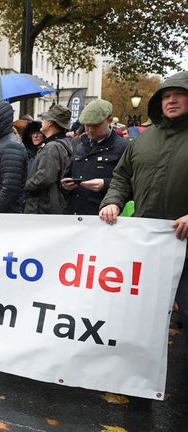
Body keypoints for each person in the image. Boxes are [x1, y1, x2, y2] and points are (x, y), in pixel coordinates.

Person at [99, 71, 188, 324]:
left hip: (184, 246)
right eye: (166, 96)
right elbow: (121, 177)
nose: (171, 100)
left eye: (179, 95)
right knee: (140, 311)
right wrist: (113, 202)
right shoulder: (144, 139)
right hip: (146, 244)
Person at [62, 99, 128, 215]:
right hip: (73, 214)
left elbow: (130, 183)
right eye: (87, 126)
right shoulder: (79, 146)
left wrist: (105, 184)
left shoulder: (124, 147)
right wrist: (65, 186)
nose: (90, 130)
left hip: (102, 217)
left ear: (109, 120)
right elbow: (68, 176)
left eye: (95, 126)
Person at [23, 105, 73, 214]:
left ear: (50, 123)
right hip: (51, 204)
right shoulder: (63, 143)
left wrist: (24, 185)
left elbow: (44, 178)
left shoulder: (52, 146)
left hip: (43, 207)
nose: (42, 122)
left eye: (44, 119)